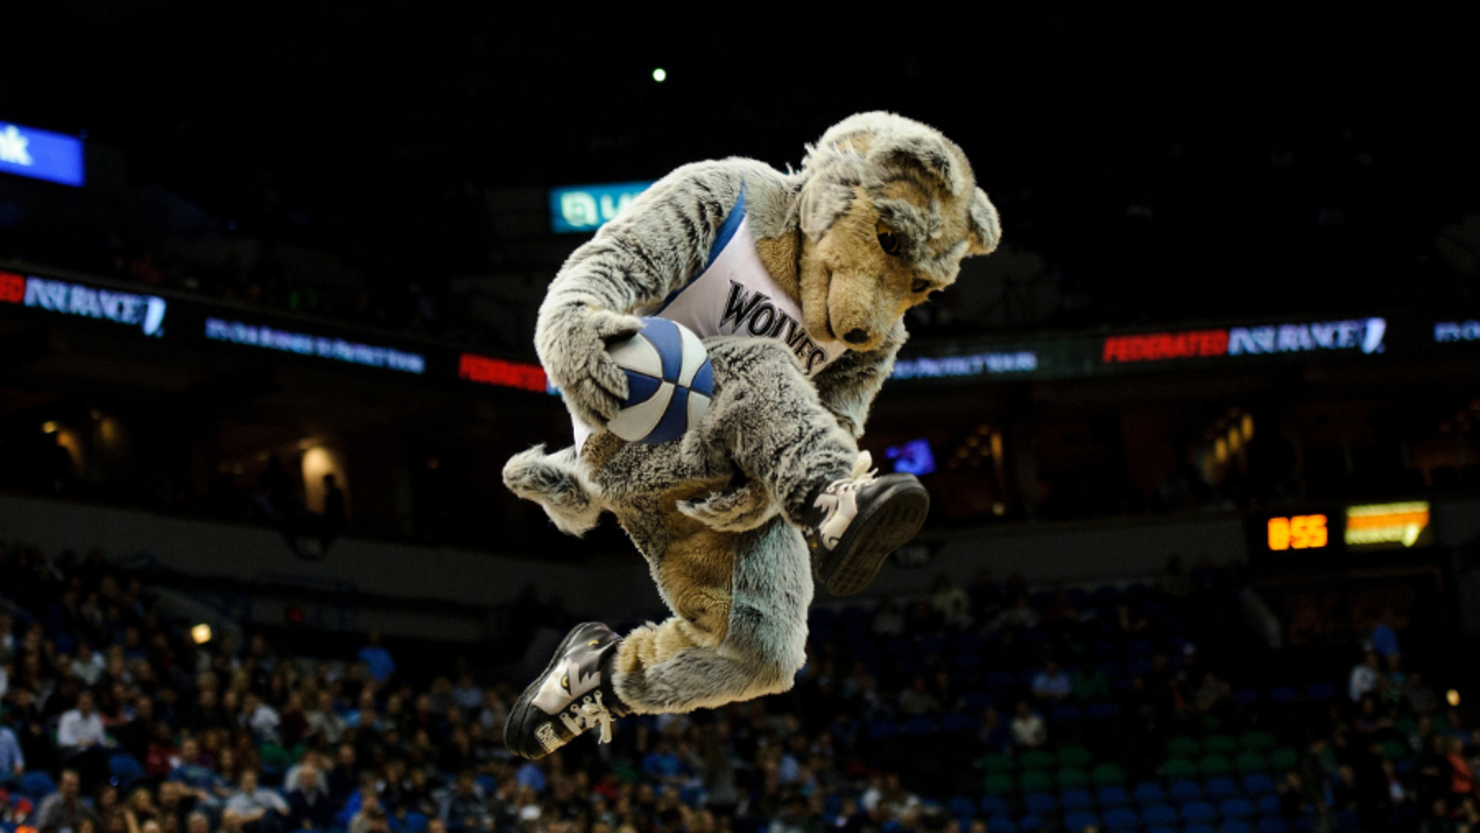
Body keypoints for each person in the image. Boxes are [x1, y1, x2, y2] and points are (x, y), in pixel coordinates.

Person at [501, 113, 1000, 760]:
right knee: (760, 361)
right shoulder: (730, 198)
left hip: (737, 474)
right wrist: (574, 328)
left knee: (765, 651)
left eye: (917, 288)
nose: (870, 317)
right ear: (834, 191)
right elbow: (607, 268)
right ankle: (828, 499)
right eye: (883, 250)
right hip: (629, 421)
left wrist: (767, 493)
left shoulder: (877, 341)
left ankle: (599, 679)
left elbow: (833, 420)